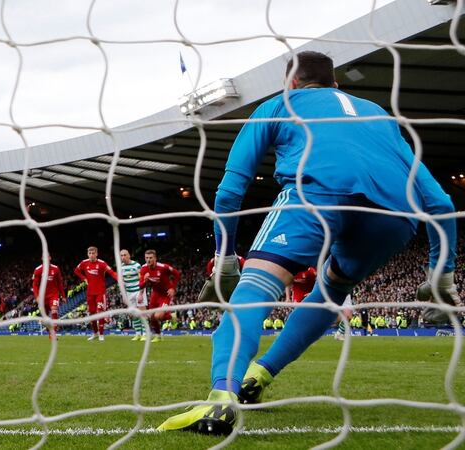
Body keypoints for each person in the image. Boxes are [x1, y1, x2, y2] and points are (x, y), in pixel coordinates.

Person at [158, 51, 458, 435]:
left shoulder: (278, 104)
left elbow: (229, 192)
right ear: (335, 84)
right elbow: (441, 203)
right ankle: (260, 377)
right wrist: (441, 273)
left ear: (293, 82)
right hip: (394, 216)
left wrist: (227, 256)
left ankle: (221, 398)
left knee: (255, 288)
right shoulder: (380, 115)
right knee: (333, 289)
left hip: (315, 194)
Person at [74, 246, 118, 342]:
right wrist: (84, 278)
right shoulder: (84, 263)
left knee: (99, 312)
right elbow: (76, 271)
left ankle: (101, 334)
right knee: (92, 314)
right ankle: (95, 333)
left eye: (93, 253)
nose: (91, 255)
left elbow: (111, 272)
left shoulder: (102, 264)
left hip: (100, 292)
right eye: (89, 253)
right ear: (87, 254)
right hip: (90, 293)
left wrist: (118, 278)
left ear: (97, 254)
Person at [138, 249, 180, 343]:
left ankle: (170, 316)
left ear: (155, 258)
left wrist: (173, 288)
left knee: (157, 316)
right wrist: (145, 280)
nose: (148, 260)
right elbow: (140, 285)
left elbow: (177, 274)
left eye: (151, 258)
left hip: (165, 294)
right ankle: (158, 336)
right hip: (155, 294)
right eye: (146, 258)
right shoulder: (144, 268)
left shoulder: (163, 267)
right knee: (152, 317)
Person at [32, 256, 66, 340]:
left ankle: (53, 334)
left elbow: (60, 284)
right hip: (43, 297)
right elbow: (35, 285)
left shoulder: (56, 269)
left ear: (50, 258)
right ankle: (50, 332)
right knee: (45, 318)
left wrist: (63, 296)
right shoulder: (38, 270)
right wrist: (37, 296)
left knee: (54, 311)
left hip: (54, 295)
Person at [119, 249, 146, 341]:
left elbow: (142, 280)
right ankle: (138, 334)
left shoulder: (136, 265)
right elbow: (122, 283)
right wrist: (123, 295)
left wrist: (141, 294)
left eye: (125, 255)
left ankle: (145, 334)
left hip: (138, 291)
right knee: (133, 314)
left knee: (142, 313)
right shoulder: (121, 267)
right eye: (121, 256)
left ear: (129, 255)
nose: (123, 257)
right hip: (129, 293)